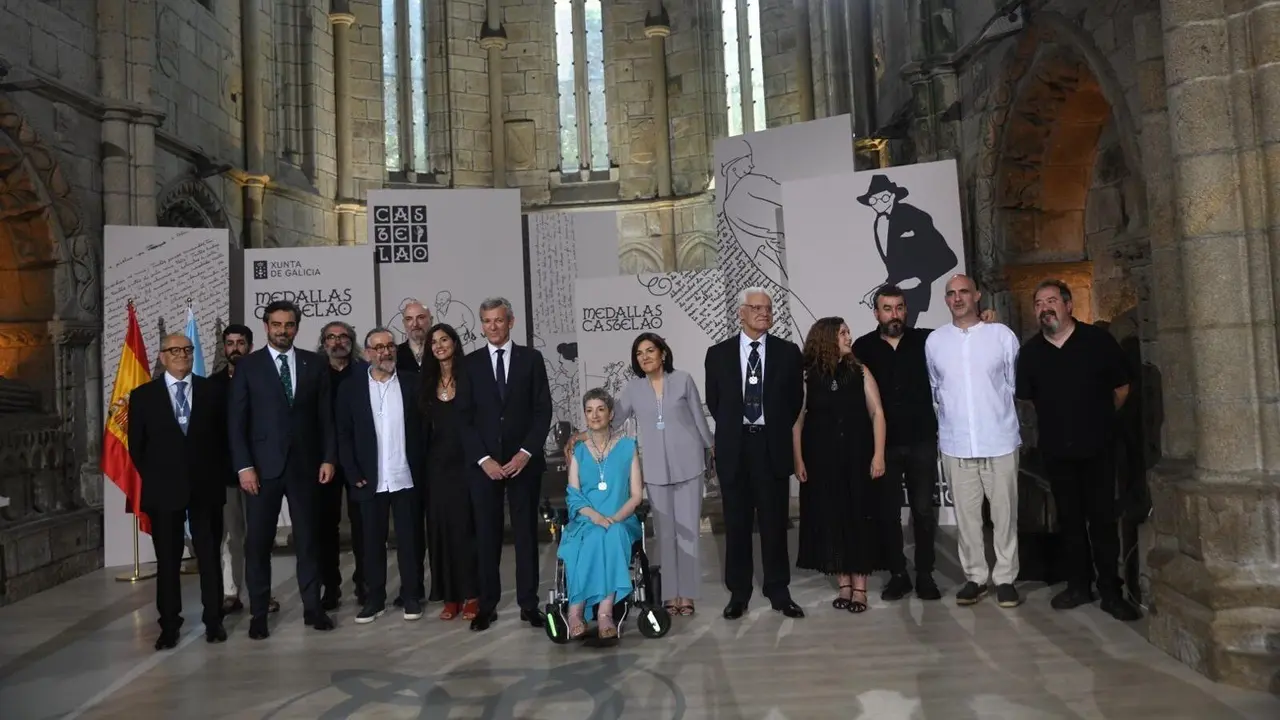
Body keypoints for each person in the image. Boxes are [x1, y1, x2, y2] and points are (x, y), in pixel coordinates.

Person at [854, 285, 992, 601]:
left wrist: (984, 320)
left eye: (899, 307)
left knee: (923, 512)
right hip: (882, 445)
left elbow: (964, 337)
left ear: (906, 310)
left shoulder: (929, 341)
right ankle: (898, 574)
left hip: (922, 441)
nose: (894, 314)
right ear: (876, 313)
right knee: (887, 513)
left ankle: (926, 574)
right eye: (887, 308)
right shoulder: (863, 347)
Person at [1015, 279, 1142, 621]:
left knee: (1102, 521)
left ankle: (1111, 592)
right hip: (1056, 451)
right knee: (1069, 522)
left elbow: (1121, 388)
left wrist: (1098, 419)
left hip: (1098, 447)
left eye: (1052, 300)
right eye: (1039, 303)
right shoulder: (1030, 353)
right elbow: (1027, 400)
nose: (1045, 308)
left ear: (1069, 305)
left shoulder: (1097, 342)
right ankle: (1078, 586)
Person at [567, 333, 713, 616]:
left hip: (689, 464)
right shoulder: (633, 389)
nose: (644, 357)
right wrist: (580, 436)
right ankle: (671, 594)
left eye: (650, 351)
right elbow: (615, 420)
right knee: (666, 534)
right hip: (656, 470)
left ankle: (689, 596)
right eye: (639, 353)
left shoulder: (683, 380)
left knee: (689, 534)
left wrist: (712, 449)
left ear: (663, 353)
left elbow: (699, 419)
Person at [229, 299, 337, 639]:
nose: (282, 330)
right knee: (258, 543)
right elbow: (237, 422)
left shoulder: (315, 363)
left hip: (306, 467)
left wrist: (329, 458)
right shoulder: (249, 366)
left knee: (308, 541)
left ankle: (312, 608)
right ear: (266, 327)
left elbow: (326, 417)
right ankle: (259, 613)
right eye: (276, 324)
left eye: (288, 325)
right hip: (262, 469)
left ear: (296, 327)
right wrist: (244, 466)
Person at [704, 287, 806, 620]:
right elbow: (716, 403)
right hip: (736, 447)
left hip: (771, 445)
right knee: (737, 523)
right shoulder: (717, 354)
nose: (764, 313)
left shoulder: (788, 352)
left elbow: (794, 402)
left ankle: (778, 589)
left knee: (775, 522)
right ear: (741, 313)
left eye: (768, 308)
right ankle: (739, 592)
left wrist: (770, 426)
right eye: (757, 308)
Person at [128, 333, 231, 649]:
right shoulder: (143, 396)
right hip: (164, 491)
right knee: (169, 562)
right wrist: (162, 477)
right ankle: (169, 626)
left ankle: (214, 621)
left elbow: (223, 440)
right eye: (175, 350)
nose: (182, 355)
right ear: (162, 357)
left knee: (209, 558)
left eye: (187, 350)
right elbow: (137, 448)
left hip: (206, 489)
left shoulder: (212, 391)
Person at [456, 297, 553, 631]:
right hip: (485, 468)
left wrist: (525, 453)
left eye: (498, 320)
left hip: (523, 464)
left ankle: (529, 604)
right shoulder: (469, 364)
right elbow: (464, 418)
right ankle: (487, 604)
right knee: (486, 536)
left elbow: (543, 411)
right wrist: (484, 460)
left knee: (526, 534)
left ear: (511, 321)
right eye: (486, 321)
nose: (492, 327)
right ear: (481, 324)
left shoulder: (531, 359)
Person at [926, 274, 1022, 608]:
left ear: (977, 295)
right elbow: (936, 389)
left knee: (1005, 514)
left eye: (963, 292)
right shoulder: (936, 342)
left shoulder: (1001, 336)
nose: (957, 298)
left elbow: (1012, 383)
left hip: (999, 438)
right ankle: (976, 577)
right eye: (951, 293)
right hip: (957, 443)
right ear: (945, 300)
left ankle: (1006, 578)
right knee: (967, 518)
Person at [794, 318, 887, 613]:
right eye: (843, 333)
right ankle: (843, 584)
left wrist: (879, 455)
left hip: (858, 457)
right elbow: (797, 422)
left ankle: (860, 589)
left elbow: (877, 414)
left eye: (849, 330)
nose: (849, 337)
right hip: (822, 461)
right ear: (827, 339)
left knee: (857, 517)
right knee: (831, 519)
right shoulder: (809, 376)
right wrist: (798, 460)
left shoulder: (860, 371)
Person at [335, 327, 427, 623]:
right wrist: (351, 470)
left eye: (390, 346)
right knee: (371, 543)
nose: (385, 352)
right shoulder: (351, 388)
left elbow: (425, 429)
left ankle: (411, 596)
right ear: (367, 353)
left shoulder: (413, 384)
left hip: (405, 476)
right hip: (369, 478)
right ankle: (374, 599)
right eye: (378, 347)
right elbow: (344, 434)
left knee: (410, 540)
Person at [559, 389, 644, 642]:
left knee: (613, 533)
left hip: (620, 518)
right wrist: (596, 517)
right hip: (586, 519)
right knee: (594, 535)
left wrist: (615, 518)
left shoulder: (628, 446)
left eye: (600, 409)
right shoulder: (578, 452)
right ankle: (576, 612)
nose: (594, 415)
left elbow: (636, 495)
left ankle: (605, 613)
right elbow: (573, 495)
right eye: (589, 410)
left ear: (611, 414)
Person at [211, 324, 281, 616]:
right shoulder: (212, 385)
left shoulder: (263, 378)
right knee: (231, 537)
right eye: (230, 343)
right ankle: (230, 592)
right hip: (226, 475)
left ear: (250, 346)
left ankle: (261, 594)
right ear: (224, 347)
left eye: (241, 342)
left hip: (260, 471)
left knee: (259, 535)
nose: (235, 348)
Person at [419, 323, 479, 621]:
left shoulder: (471, 376)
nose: (439, 345)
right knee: (441, 531)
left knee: (465, 530)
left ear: (455, 342)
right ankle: (450, 596)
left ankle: (472, 594)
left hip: (468, 464)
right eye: (434, 342)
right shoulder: (426, 381)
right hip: (437, 467)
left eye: (444, 339)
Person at [317, 321, 365, 610]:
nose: (337, 342)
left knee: (363, 526)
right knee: (326, 527)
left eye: (343, 336)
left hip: (358, 460)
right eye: (331, 337)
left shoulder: (364, 372)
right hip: (324, 462)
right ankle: (331, 587)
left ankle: (364, 583)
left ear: (352, 341)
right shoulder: (313, 373)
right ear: (323, 343)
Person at [396, 299, 433, 374]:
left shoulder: (441, 350)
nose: (415, 324)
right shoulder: (395, 354)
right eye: (409, 319)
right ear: (404, 323)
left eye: (421, 318)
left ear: (431, 320)